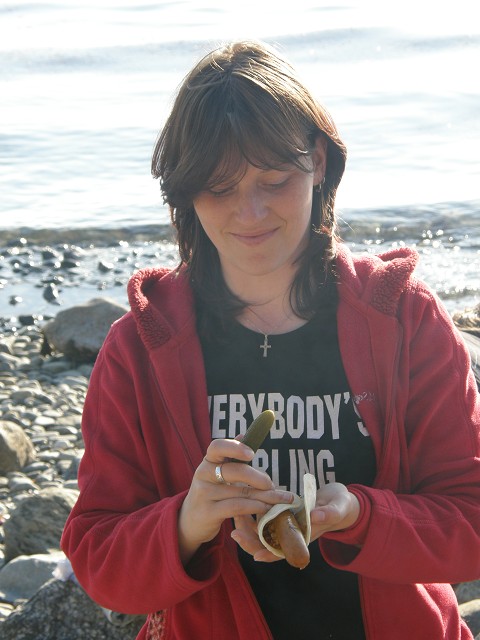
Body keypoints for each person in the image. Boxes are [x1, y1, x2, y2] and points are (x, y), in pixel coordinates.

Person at [61, 40, 480, 639]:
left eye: (274, 179)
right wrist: (187, 522)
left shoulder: (404, 321)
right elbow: (100, 562)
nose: (250, 212)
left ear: (318, 160)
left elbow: (472, 520)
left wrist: (359, 514)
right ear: (185, 191)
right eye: (219, 187)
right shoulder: (139, 351)